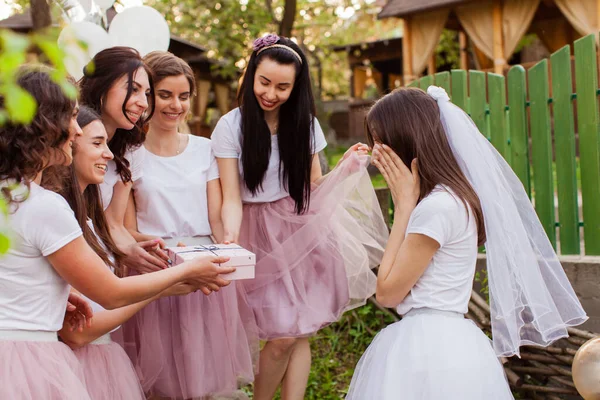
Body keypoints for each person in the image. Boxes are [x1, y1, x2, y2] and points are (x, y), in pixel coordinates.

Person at [0, 67, 234, 399]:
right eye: (70, 119)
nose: (75, 130)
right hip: (28, 362)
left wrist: (54, 295)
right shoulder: (44, 206)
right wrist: (188, 270)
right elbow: (110, 293)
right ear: (47, 127)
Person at [346, 86, 588, 399]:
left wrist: (404, 207)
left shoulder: (435, 208)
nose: (377, 153)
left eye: (381, 142)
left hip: (429, 351)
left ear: (405, 141)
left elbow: (388, 292)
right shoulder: (452, 199)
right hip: (454, 344)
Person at [211, 34, 388, 400]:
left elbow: (313, 188)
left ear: (296, 86)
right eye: (264, 82)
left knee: (298, 330)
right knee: (282, 334)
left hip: (298, 229)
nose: (271, 94)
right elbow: (231, 197)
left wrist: (344, 170)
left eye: (282, 87)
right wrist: (229, 238)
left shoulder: (305, 124)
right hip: (254, 232)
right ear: (250, 76)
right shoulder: (230, 126)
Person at [121, 51, 258, 399]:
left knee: (202, 375)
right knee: (160, 377)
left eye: (183, 96)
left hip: (200, 267)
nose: (175, 105)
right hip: (155, 268)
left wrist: (227, 242)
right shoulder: (130, 154)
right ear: (148, 96)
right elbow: (126, 228)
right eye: (165, 95)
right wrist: (165, 251)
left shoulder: (205, 149)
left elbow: (215, 217)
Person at [79, 46, 168, 273]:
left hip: (102, 261)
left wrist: (134, 251)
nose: (144, 103)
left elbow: (113, 223)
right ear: (102, 87)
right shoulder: (70, 137)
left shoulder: (131, 149)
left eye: (146, 94)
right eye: (133, 89)